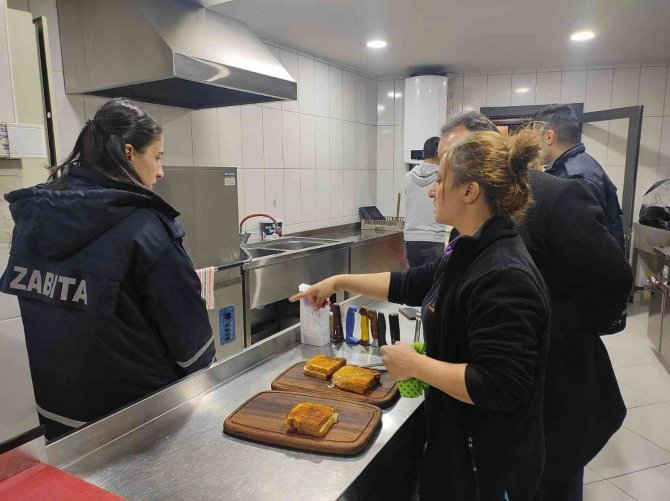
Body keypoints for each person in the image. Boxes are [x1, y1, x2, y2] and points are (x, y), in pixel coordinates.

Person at [292, 129, 551, 500]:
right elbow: (412, 283)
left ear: (469, 191)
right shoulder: (470, 246)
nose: (432, 190)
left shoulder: (503, 274)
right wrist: (336, 281)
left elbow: (500, 386)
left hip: (488, 464)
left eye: (441, 180)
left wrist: (415, 365)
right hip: (458, 441)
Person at [440, 112, 632, 501]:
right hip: (500, 393)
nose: (440, 177)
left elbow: (613, 279)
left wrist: (564, 329)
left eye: (452, 157)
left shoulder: (555, 196)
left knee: (553, 479)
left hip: (557, 390)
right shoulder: (469, 211)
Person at [0, 98, 215, 439]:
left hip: (60, 413)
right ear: (130, 152)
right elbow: (189, 336)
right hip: (138, 418)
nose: (160, 171)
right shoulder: (143, 226)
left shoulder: (34, 217)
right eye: (157, 157)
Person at [533, 103, 625, 250]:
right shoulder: (571, 168)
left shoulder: (577, 177)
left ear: (549, 137)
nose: (534, 146)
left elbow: (583, 246)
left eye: (535, 139)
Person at [403, 136, 447, 267]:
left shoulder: (408, 176)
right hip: (434, 238)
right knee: (432, 284)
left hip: (411, 239)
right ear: (439, 154)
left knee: (414, 282)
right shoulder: (442, 178)